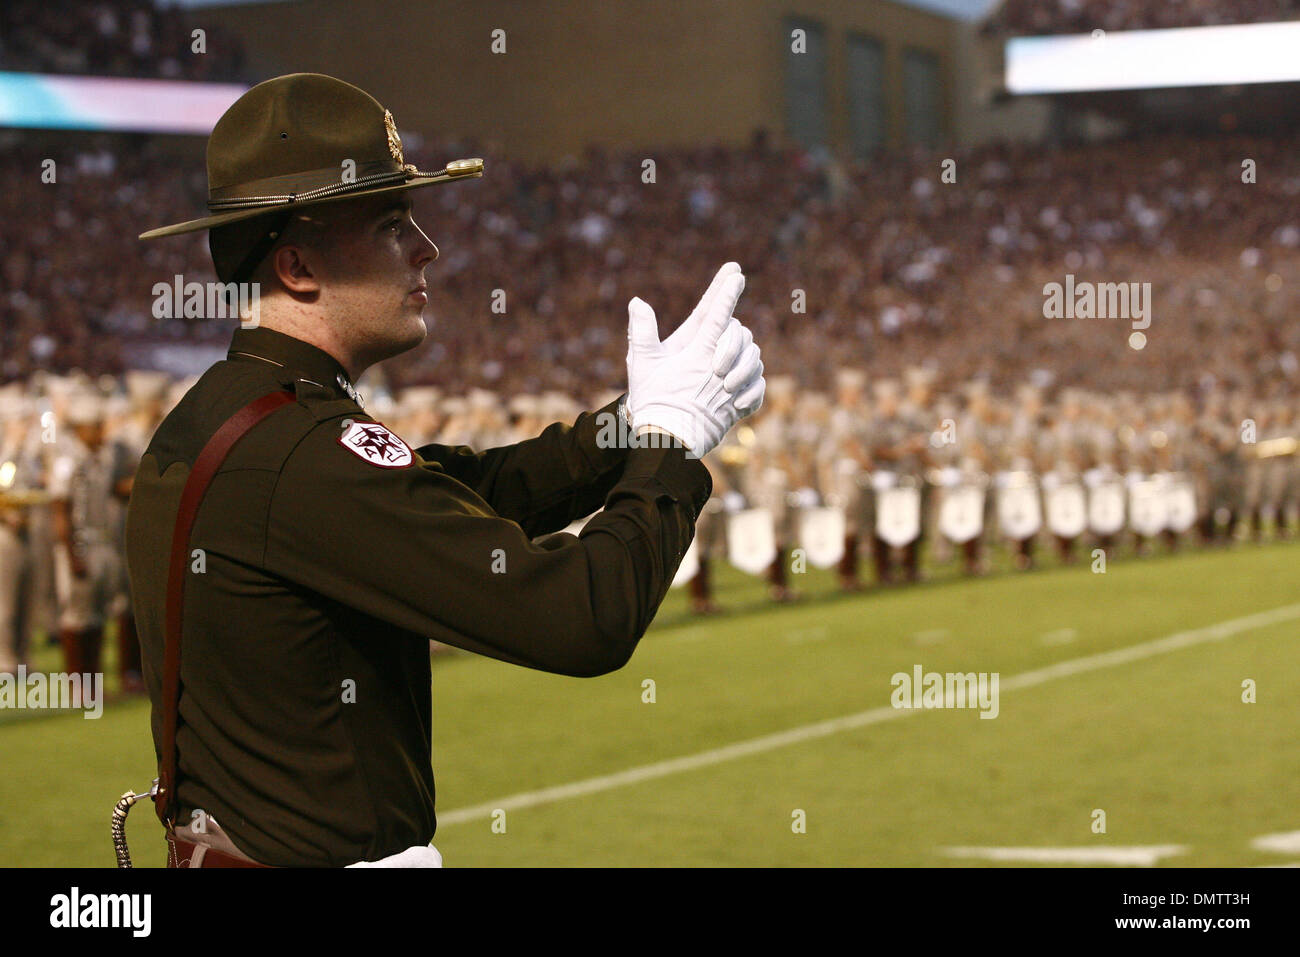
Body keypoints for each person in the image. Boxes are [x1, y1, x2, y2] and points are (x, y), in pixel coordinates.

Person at [126, 73, 766, 868]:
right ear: (296, 267)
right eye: (393, 224)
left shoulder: (244, 415)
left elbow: (453, 493)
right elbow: (583, 616)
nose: (428, 248)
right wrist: (674, 442)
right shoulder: (299, 451)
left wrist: (631, 424)